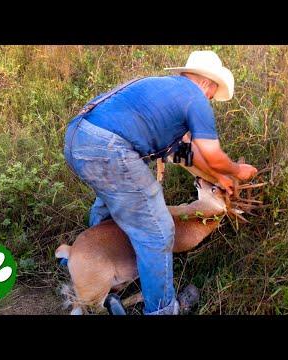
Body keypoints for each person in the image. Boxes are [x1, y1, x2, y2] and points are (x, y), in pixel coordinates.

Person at [64, 50, 258, 315]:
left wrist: (220, 177)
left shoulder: (164, 94)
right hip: (109, 147)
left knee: (110, 204)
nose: (211, 99)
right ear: (207, 83)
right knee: (158, 231)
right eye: (213, 94)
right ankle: (163, 310)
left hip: (79, 139)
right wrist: (237, 169)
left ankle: (98, 268)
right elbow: (211, 153)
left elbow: (185, 156)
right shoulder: (194, 97)